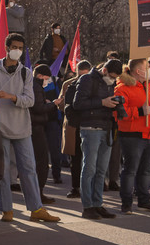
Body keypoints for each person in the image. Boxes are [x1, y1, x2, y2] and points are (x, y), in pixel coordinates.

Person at [0, 34, 60, 223]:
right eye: (14, 47)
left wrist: (12, 97)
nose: (17, 51)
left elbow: (30, 100)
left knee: (29, 169)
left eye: (20, 48)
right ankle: (6, 209)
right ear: (6, 48)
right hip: (0, 127)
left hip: (22, 128)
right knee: (3, 171)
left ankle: (36, 208)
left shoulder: (26, 73)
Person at [72, 59, 122, 219]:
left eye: (116, 78)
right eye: (112, 76)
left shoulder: (109, 84)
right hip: (90, 129)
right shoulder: (87, 79)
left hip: (106, 128)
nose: (113, 80)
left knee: (101, 170)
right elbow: (77, 103)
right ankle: (87, 206)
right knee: (89, 169)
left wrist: (115, 104)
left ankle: (97, 204)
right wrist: (102, 102)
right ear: (104, 70)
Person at [114, 59, 150, 213]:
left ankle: (144, 200)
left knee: (145, 171)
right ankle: (126, 203)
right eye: (147, 67)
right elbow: (119, 113)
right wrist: (139, 112)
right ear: (138, 71)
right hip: (132, 136)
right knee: (130, 170)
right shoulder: (122, 89)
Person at [59, 61, 91, 199]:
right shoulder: (68, 85)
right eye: (79, 75)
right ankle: (76, 187)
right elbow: (61, 105)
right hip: (73, 126)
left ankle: (89, 187)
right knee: (76, 159)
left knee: (90, 159)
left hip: (89, 125)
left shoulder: (94, 84)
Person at [29, 65, 58, 204]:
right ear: (40, 76)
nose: (48, 81)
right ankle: (38, 192)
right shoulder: (36, 87)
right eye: (47, 78)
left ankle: (37, 192)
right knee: (42, 161)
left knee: (38, 161)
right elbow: (38, 108)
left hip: (34, 126)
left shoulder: (33, 85)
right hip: (36, 127)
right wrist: (53, 104)